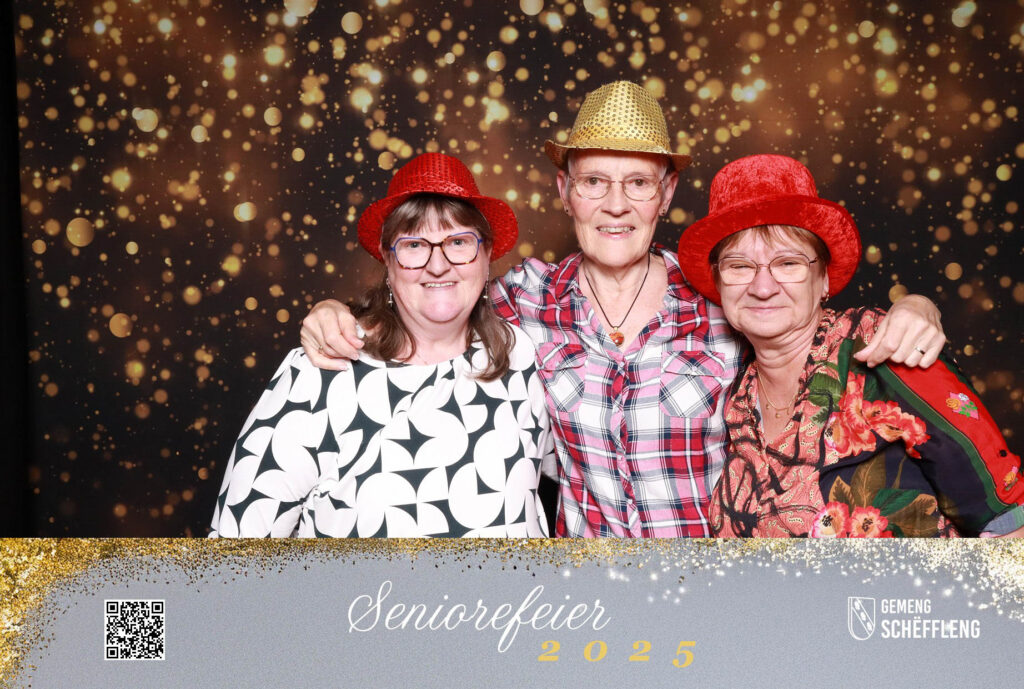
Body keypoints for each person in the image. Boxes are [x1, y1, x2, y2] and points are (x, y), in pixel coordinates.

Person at [298, 81, 946, 537]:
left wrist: (919, 307)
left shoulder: (722, 300)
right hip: (593, 605)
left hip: (716, 594)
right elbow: (430, 298)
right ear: (565, 191)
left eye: (637, 182)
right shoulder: (523, 298)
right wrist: (339, 313)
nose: (615, 205)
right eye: (594, 182)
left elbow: (808, 318)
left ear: (666, 193)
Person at [676, 154, 1024, 537]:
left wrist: (918, 304)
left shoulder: (882, 348)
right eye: (739, 266)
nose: (762, 287)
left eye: (788, 263)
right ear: (719, 283)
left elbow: (1009, 516)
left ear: (824, 278)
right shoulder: (732, 395)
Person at [210, 153, 553, 537]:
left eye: (458, 241)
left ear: (486, 255)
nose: (438, 264)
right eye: (414, 245)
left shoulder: (522, 355)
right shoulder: (321, 371)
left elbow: (585, 468)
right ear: (387, 262)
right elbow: (236, 551)